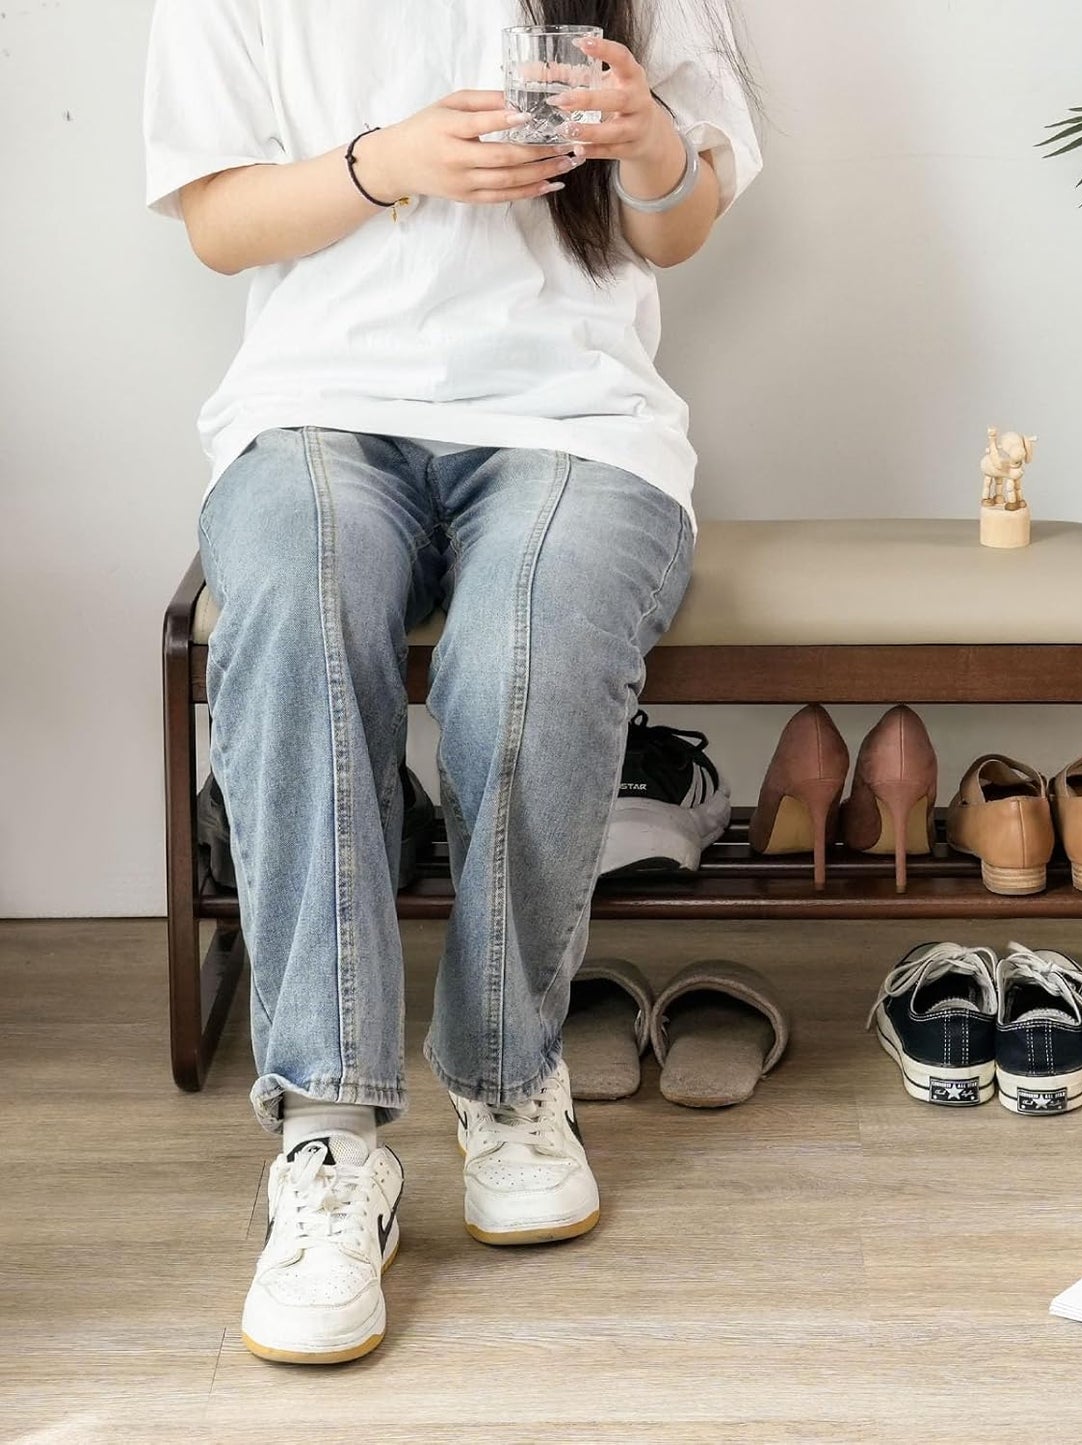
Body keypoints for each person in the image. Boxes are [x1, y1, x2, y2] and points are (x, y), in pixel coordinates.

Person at [143, 0, 760, 1366]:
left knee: (525, 655)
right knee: (300, 622)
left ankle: (507, 1077)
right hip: (314, 411)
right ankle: (328, 1133)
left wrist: (650, 138)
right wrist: (388, 164)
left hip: (575, 423)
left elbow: (679, 223)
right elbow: (217, 225)